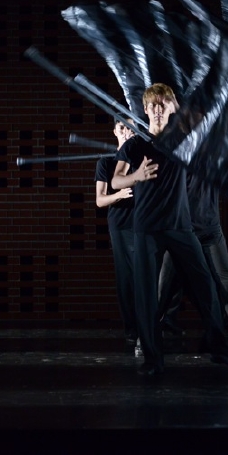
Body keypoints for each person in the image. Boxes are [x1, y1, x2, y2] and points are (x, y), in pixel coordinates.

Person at [112, 83, 228, 375]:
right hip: (147, 229)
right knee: (147, 297)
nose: (157, 110)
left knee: (207, 288)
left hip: (181, 227)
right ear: (145, 110)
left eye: (163, 104)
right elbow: (116, 181)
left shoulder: (185, 142)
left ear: (172, 107)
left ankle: (220, 350)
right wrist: (136, 175)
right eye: (152, 105)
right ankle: (152, 360)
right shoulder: (135, 145)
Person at [158, 174, 228, 355]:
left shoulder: (212, 163)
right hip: (181, 232)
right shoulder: (176, 164)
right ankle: (146, 338)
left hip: (210, 231)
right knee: (164, 288)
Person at [95, 118, 137, 349]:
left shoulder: (140, 157)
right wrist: (118, 195)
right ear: (115, 131)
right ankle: (131, 328)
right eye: (122, 127)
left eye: (130, 128)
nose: (126, 131)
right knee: (126, 277)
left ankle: (157, 325)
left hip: (144, 223)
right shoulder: (106, 162)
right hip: (121, 224)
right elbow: (100, 200)